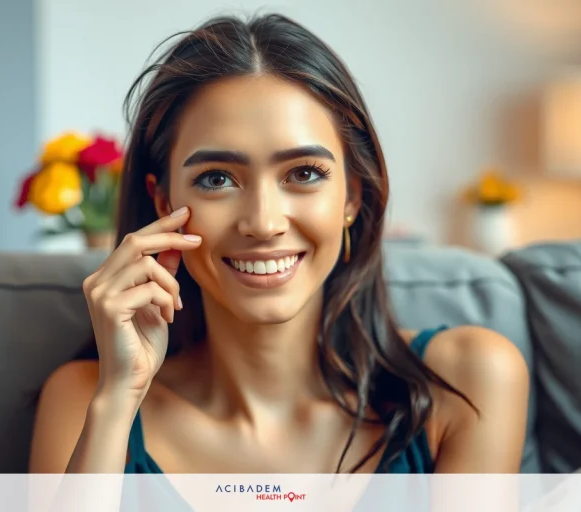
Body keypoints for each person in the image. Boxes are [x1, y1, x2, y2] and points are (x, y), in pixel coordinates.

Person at [29, 12, 529, 476]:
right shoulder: (87, 396)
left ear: (352, 195)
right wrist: (119, 397)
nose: (264, 222)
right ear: (163, 202)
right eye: (217, 178)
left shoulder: (471, 378)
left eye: (305, 173)